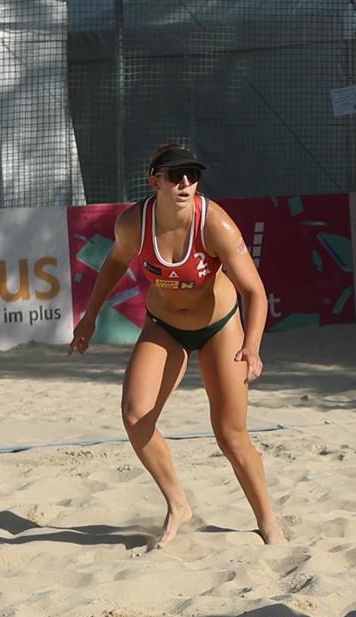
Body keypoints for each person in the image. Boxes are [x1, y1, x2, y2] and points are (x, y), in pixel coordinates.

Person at [69, 143, 287, 548]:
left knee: (231, 435)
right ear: (155, 182)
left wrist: (253, 346)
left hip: (220, 327)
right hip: (164, 325)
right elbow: (115, 262)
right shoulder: (134, 223)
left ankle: (268, 523)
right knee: (136, 417)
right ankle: (178, 504)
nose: (185, 182)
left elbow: (254, 292)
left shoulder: (215, 223)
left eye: (192, 175)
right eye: (175, 175)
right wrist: (90, 317)